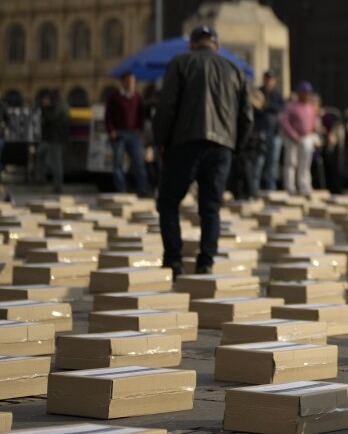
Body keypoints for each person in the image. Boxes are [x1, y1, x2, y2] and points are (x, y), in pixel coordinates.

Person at [152, 25, 252, 276]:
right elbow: (247, 118)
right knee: (210, 208)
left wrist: (161, 142)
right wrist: (233, 148)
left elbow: (166, 107)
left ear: (192, 44)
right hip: (221, 148)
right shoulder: (235, 70)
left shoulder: (181, 62)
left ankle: (174, 261)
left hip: (184, 143)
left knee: (168, 202)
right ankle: (206, 262)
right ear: (216, 46)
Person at [105, 72, 150, 195]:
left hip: (133, 134)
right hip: (119, 133)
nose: (131, 84)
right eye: (129, 81)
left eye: (133, 82)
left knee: (138, 162)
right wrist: (111, 130)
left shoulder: (137, 97)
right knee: (118, 164)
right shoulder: (114, 96)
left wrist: (139, 129)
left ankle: (143, 189)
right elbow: (108, 115)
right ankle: (122, 190)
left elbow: (142, 115)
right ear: (123, 82)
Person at [279, 81, 319, 195]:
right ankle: (289, 186)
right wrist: (293, 134)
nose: (307, 95)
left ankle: (304, 185)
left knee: (305, 163)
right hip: (293, 138)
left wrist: (314, 130)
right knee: (291, 163)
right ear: (300, 93)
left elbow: (313, 121)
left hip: (306, 137)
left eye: (308, 93)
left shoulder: (310, 107)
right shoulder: (291, 107)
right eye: (305, 93)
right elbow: (285, 122)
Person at [251, 71, 284, 192]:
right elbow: (255, 107)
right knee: (259, 162)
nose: (270, 81)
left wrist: (267, 105)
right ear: (264, 79)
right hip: (261, 131)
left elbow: (281, 108)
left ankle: (271, 188)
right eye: (268, 79)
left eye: (272, 79)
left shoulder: (277, 94)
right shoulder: (258, 92)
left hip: (275, 132)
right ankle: (254, 189)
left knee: (272, 162)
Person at [37, 91, 69, 190]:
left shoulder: (58, 107)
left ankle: (57, 185)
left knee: (56, 162)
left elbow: (51, 118)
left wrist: (44, 108)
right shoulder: (62, 106)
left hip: (55, 138)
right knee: (40, 154)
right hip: (51, 138)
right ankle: (41, 178)